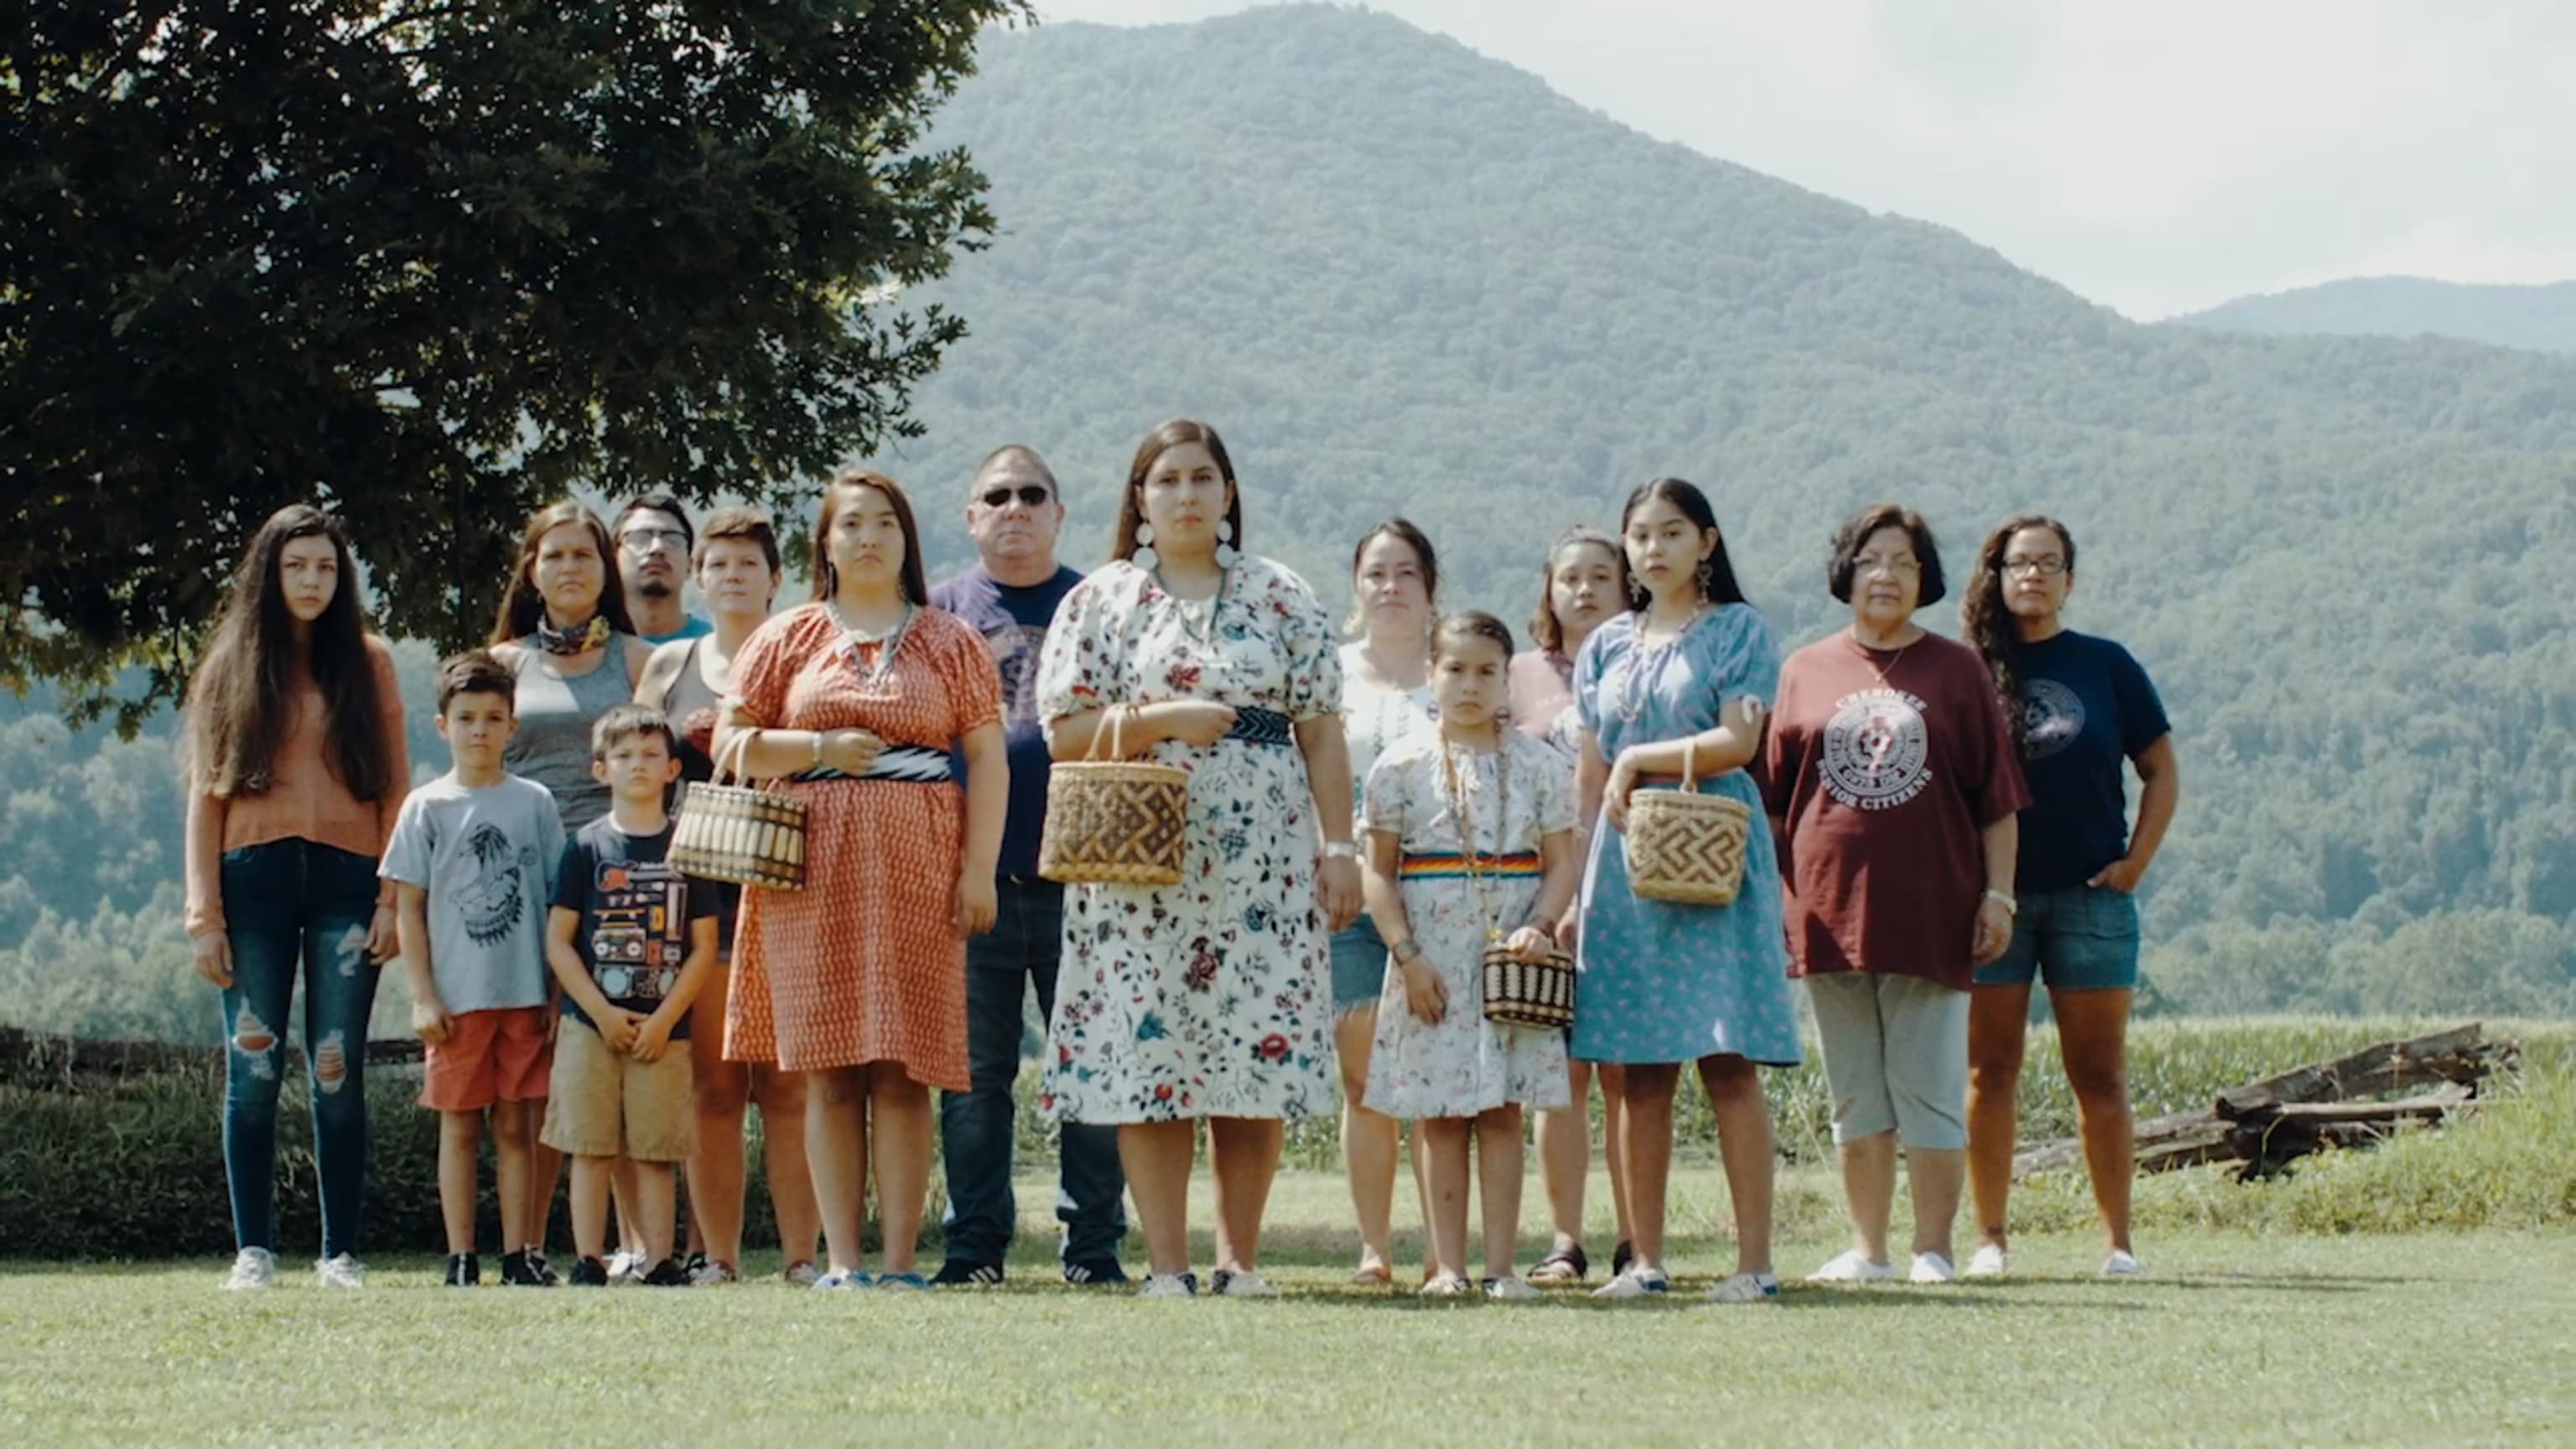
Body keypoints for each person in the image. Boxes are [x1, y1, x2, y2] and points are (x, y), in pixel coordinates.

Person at [1035, 418, 1361, 1299]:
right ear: (1140, 499)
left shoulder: (1282, 593)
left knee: (1253, 1049)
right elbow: (1062, 733)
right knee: (1154, 1056)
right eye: (1166, 479)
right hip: (1139, 864)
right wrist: (1159, 722)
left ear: (1227, 494)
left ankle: (1240, 1262)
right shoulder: (1101, 599)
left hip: (1265, 859)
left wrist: (1340, 848)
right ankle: (1169, 1265)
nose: (1185, 494)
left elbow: (1324, 731)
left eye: (1201, 478)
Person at [714, 470, 1007, 1291]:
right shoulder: (787, 637)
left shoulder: (951, 641)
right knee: (831, 1070)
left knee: (906, 1071)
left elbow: (985, 756)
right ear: (827, 543)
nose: (869, 537)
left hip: (921, 862)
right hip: (807, 872)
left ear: (908, 540)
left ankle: (903, 1263)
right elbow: (732, 743)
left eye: (885, 522)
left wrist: (978, 869)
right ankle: (843, 1262)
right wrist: (816, 750)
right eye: (851, 524)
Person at [1766, 504, 2028, 1287]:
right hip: (1824, 913)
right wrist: (1780, 903)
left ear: (1926, 580)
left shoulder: (1958, 670)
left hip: (1934, 909)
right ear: (1847, 573)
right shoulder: (1804, 669)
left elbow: (1999, 801)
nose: (1886, 575)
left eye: (1904, 563)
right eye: (1873, 559)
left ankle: (1933, 1251)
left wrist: (2000, 897)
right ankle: (1869, 1250)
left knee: (1930, 1091)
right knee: (1855, 1094)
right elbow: (1776, 803)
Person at [1563, 480, 1800, 1304]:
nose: (1653, 548)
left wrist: (1642, 760)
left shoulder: (1739, 630)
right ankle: (1647, 1262)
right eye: (1639, 535)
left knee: (1728, 1062)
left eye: (1671, 532)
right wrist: (1568, 895)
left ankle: (1754, 1266)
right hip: (1623, 869)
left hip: (1714, 858)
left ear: (1707, 541)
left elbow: (1741, 738)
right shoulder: (1602, 647)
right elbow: (1589, 777)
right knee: (1640, 1070)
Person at [182, 504, 408, 1291]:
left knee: (336, 1067)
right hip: (252, 877)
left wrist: (393, 898)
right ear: (269, 574)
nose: (312, 581)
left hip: (351, 877)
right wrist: (203, 916)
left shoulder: (370, 662)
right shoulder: (231, 665)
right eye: (296, 566)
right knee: (254, 1068)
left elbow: (396, 786)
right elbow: (204, 798)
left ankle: (338, 1252)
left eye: (325, 567)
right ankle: (254, 1251)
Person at [927, 445, 1129, 1286]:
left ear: (1059, 512)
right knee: (973, 1080)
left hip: (1088, 877)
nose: (1015, 507)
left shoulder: (1101, 605)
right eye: (995, 496)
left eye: (1031, 494)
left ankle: (1094, 1249)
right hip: (970, 876)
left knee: (1094, 1070)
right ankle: (975, 1248)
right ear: (972, 516)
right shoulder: (938, 611)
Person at [1961, 514, 2179, 1280]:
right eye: (2020, 564)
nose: (2034, 577)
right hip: (1995, 902)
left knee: (2103, 1076)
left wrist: (2134, 865)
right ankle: (1989, 1238)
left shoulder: (2106, 664)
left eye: (2050, 564)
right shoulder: (1969, 669)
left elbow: (2160, 769)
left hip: (2093, 895)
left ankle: (2119, 1243)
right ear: (1997, 575)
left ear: (2071, 579)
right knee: (1990, 1073)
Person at [1361, 612, 1576, 1299]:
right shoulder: (1399, 765)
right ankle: (1447, 1266)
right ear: (1431, 674)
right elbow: (1378, 872)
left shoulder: (1541, 764)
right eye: (1455, 668)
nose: (1470, 684)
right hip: (1430, 960)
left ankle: (1503, 1267)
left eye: (1486, 670)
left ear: (1506, 678)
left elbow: (1563, 861)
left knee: (1504, 1110)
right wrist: (1406, 954)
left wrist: (1543, 925)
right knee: (1440, 1113)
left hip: (1511, 959)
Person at [635, 507, 823, 1286]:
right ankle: (717, 1257)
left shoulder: (811, 652)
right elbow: (643, 770)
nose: (733, 576)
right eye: (719, 564)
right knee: (713, 1086)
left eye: (750, 563)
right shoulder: (666, 667)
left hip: (789, 882)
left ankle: (805, 1257)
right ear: (697, 576)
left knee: (787, 1086)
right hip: (700, 890)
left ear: (777, 578)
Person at [491, 500, 657, 1273]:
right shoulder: (503, 663)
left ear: (606, 569)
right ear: (531, 569)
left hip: (611, 877)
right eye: (553, 555)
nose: (568, 569)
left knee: (613, 1046)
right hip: (521, 873)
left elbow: (650, 765)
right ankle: (526, 1243)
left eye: (584, 556)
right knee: (534, 1058)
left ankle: (628, 1246)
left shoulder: (637, 661)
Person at [382, 651, 567, 1287]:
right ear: (443, 726)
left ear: (513, 727)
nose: (480, 731)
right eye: (467, 718)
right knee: (459, 1126)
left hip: (523, 991)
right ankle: (461, 1256)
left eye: (493, 718)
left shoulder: (535, 804)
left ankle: (521, 1252)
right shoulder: (426, 807)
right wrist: (422, 995)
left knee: (519, 1124)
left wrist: (555, 991)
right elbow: (409, 907)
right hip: (457, 1000)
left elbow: (554, 901)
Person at [541, 705, 721, 1287]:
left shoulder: (687, 850)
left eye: (649, 755)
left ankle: (660, 1260)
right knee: (590, 1147)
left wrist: (666, 1019)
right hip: (589, 1027)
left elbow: (703, 947)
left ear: (673, 769)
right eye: (623, 756)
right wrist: (598, 1012)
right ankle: (590, 1258)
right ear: (601, 771)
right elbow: (560, 943)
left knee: (655, 1149)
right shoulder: (584, 848)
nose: (636, 766)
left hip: (663, 1032)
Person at [1509, 525, 1637, 1285]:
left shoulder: (1646, 666)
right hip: (1537, 893)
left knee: (1626, 1069)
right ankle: (1564, 1239)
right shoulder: (1519, 674)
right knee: (1556, 1077)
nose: (1584, 590)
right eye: (1570, 578)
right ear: (1548, 592)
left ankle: (1634, 1234)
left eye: (1601, 576)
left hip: (1626, 891)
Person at [1333, 518, 1439, 1286]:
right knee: (1363, 1071)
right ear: (1357, 587)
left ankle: (1445, 1247)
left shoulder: (1460, 673)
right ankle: (1375, 1246)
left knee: (1437, 1076)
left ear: (1431, 587)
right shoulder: (1329, 676)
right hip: (1345, 895)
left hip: (1443, 898)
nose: (1391, 587)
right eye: (1376, 573)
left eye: (1406, 572)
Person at [615, 493, 714, 645]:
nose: (657, 548)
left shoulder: (715, 647)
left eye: (672, 540)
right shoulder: (590, 648)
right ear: (613, 560)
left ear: (690, 566)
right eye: (640, 538)